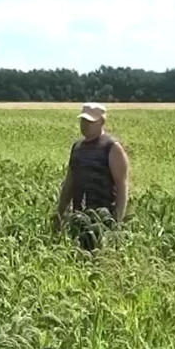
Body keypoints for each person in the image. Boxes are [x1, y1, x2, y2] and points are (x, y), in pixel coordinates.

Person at [53, 102, 130, 249]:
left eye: (90, 121)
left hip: (103, 221)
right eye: (83, 120)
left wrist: (117, 223)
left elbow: (122, 187)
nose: (86, 125)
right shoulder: (77, 147)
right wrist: (60, 213)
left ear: (102, 121)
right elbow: (69, 182)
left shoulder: (112, 147)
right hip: (79, 218)